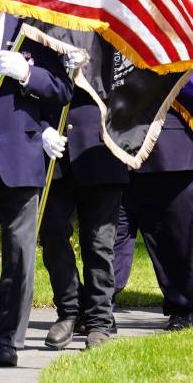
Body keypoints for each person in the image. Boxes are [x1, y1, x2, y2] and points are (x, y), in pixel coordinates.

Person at [0, 7, 73, 368]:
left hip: (21, 154)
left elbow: (61, 90)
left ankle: (8, 338)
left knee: (20, 253)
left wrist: (28, 74)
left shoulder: (32, 35)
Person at [40, 33, 127, 350]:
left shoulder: (108, 22)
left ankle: (99, 320)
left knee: (99, 242)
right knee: (51, 235)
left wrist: (89, 73)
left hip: (99, 146)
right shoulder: (43, 23)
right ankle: (69, 311)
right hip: (53, 147)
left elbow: (130, 82)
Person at [111, 103, 193, 331]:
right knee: (109, 239)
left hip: (168, 151)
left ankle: (181, 307)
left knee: (173, 239)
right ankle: (99, 311)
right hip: (113, 148)